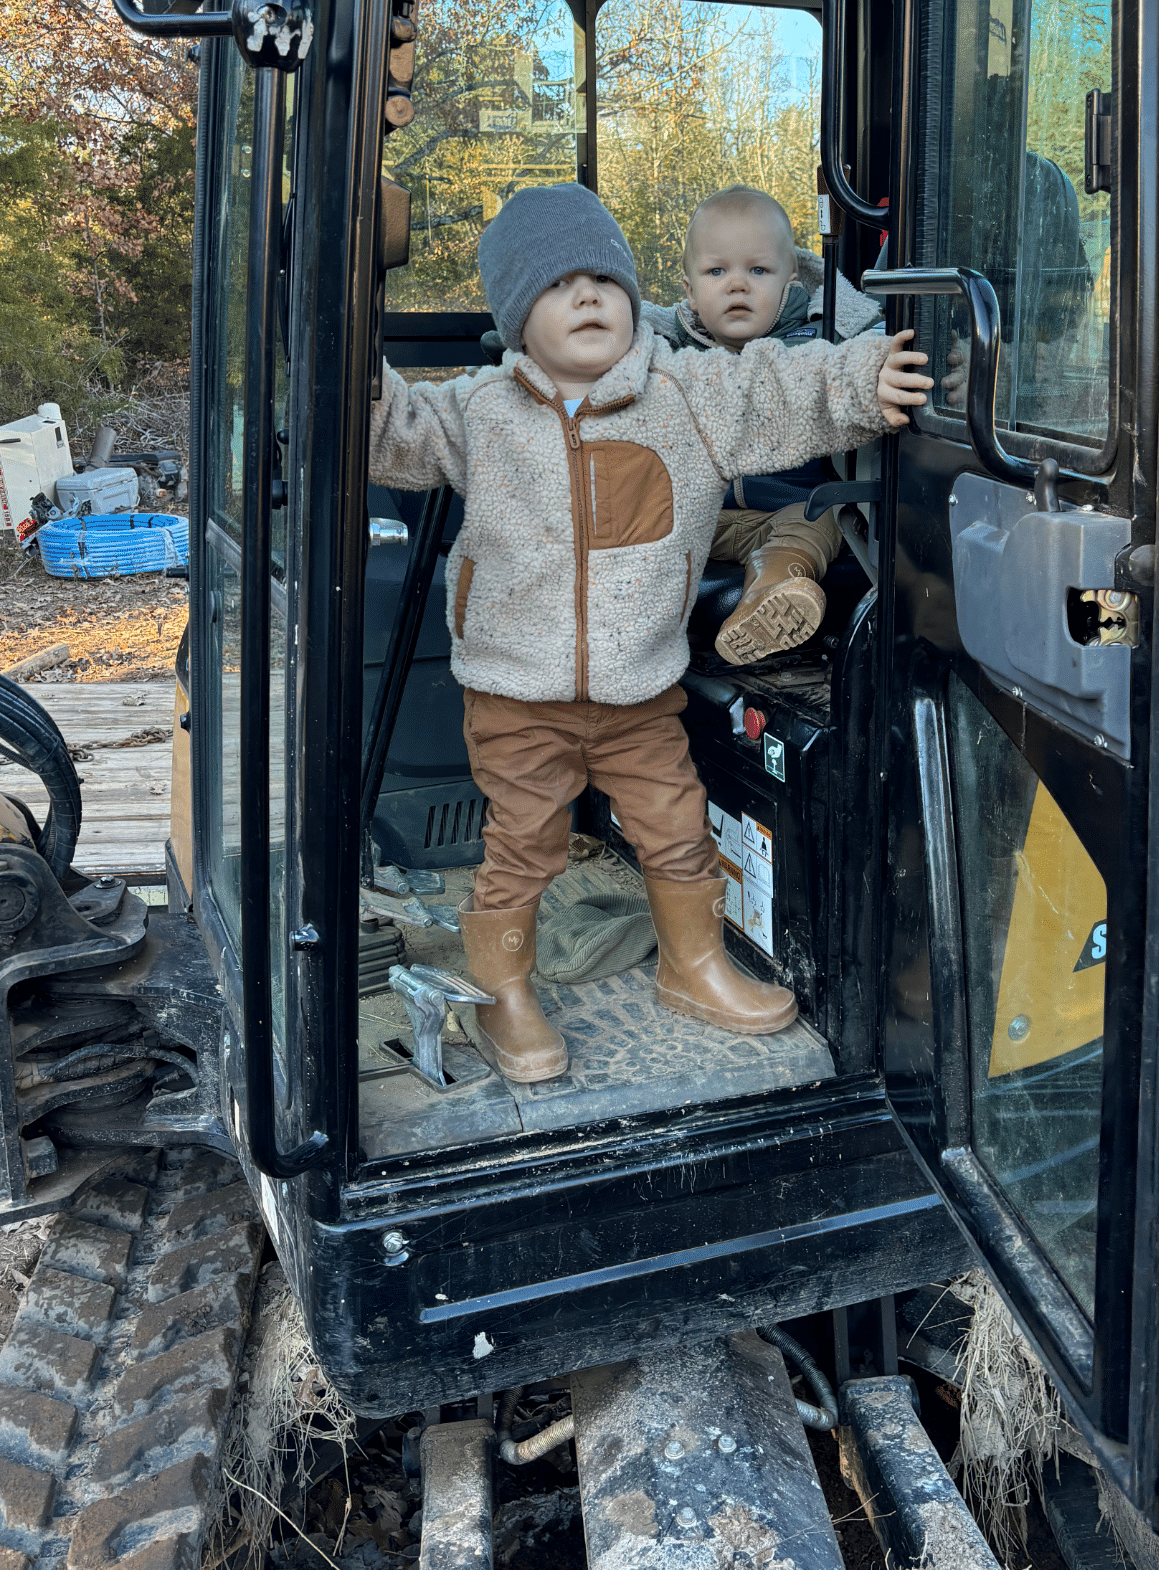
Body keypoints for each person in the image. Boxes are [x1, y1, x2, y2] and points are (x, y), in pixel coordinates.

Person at [368, 182, 931, 1086]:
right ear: (518, 318)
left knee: (676, 828)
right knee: (523, 844)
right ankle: (505, 994)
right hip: (517, 696)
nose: (587, 296)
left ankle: (693, 967)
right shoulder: (480, 411)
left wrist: (866, 380)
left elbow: (781, 387)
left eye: (604, 279)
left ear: (637, 299)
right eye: (558, 286)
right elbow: (391, 434)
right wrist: (349, 355)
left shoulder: (688, 392)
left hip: (638, 694)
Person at [643, 185, 881, 665]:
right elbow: (611, 341)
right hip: (706, 517)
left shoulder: (821, 335)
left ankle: (771, 592)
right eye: (717, 271)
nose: (738, 285)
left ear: (789, 283)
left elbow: (876, 350)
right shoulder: (672, 344)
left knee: (818, 523)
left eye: (757, 270)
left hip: (795, 508)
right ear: (689, 290)